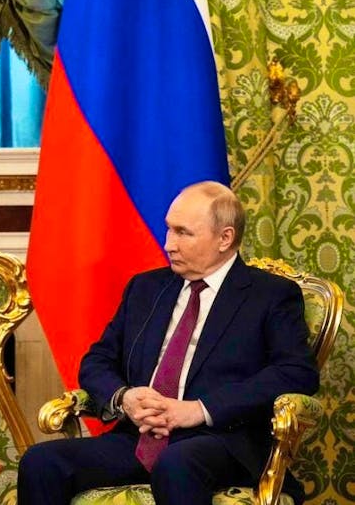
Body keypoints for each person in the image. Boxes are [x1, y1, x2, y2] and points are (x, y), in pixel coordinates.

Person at [18, 181, 319, 505]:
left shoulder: (269, 295)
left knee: (175, 463)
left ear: (225, 238)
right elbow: (97, 360)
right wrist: (125, 398)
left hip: (221, 440)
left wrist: (199, 410)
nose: (168, 244)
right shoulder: (147, 288)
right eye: (168, 230)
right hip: (140, 438)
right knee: (41, 462)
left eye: (183, 233)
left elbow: (296, 372)